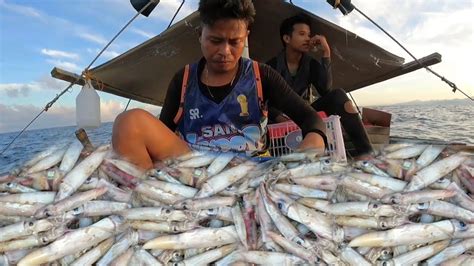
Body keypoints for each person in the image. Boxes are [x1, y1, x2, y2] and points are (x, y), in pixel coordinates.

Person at [112, 0, 327, 169]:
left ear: (246, 37)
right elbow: (164, 134)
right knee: (129, 123)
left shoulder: (262, 75)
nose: (225, 51)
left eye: (235, 42)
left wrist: (304, 155)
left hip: (253, 172)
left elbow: (312, 120)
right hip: (196, 170)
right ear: (200, 36)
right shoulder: (184, 80)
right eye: (215, 41)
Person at [266, 14, 374, 157]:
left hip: (303, 113)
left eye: (309, 35)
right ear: (287, 38)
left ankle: (368, 154)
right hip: (278, 120)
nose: (307, 39)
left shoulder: (310, 64)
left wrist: (326, 52)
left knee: (338, 96)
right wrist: (279, 116)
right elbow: (263, 101)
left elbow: (326, 90)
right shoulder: (270, 67)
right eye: (302, 34)